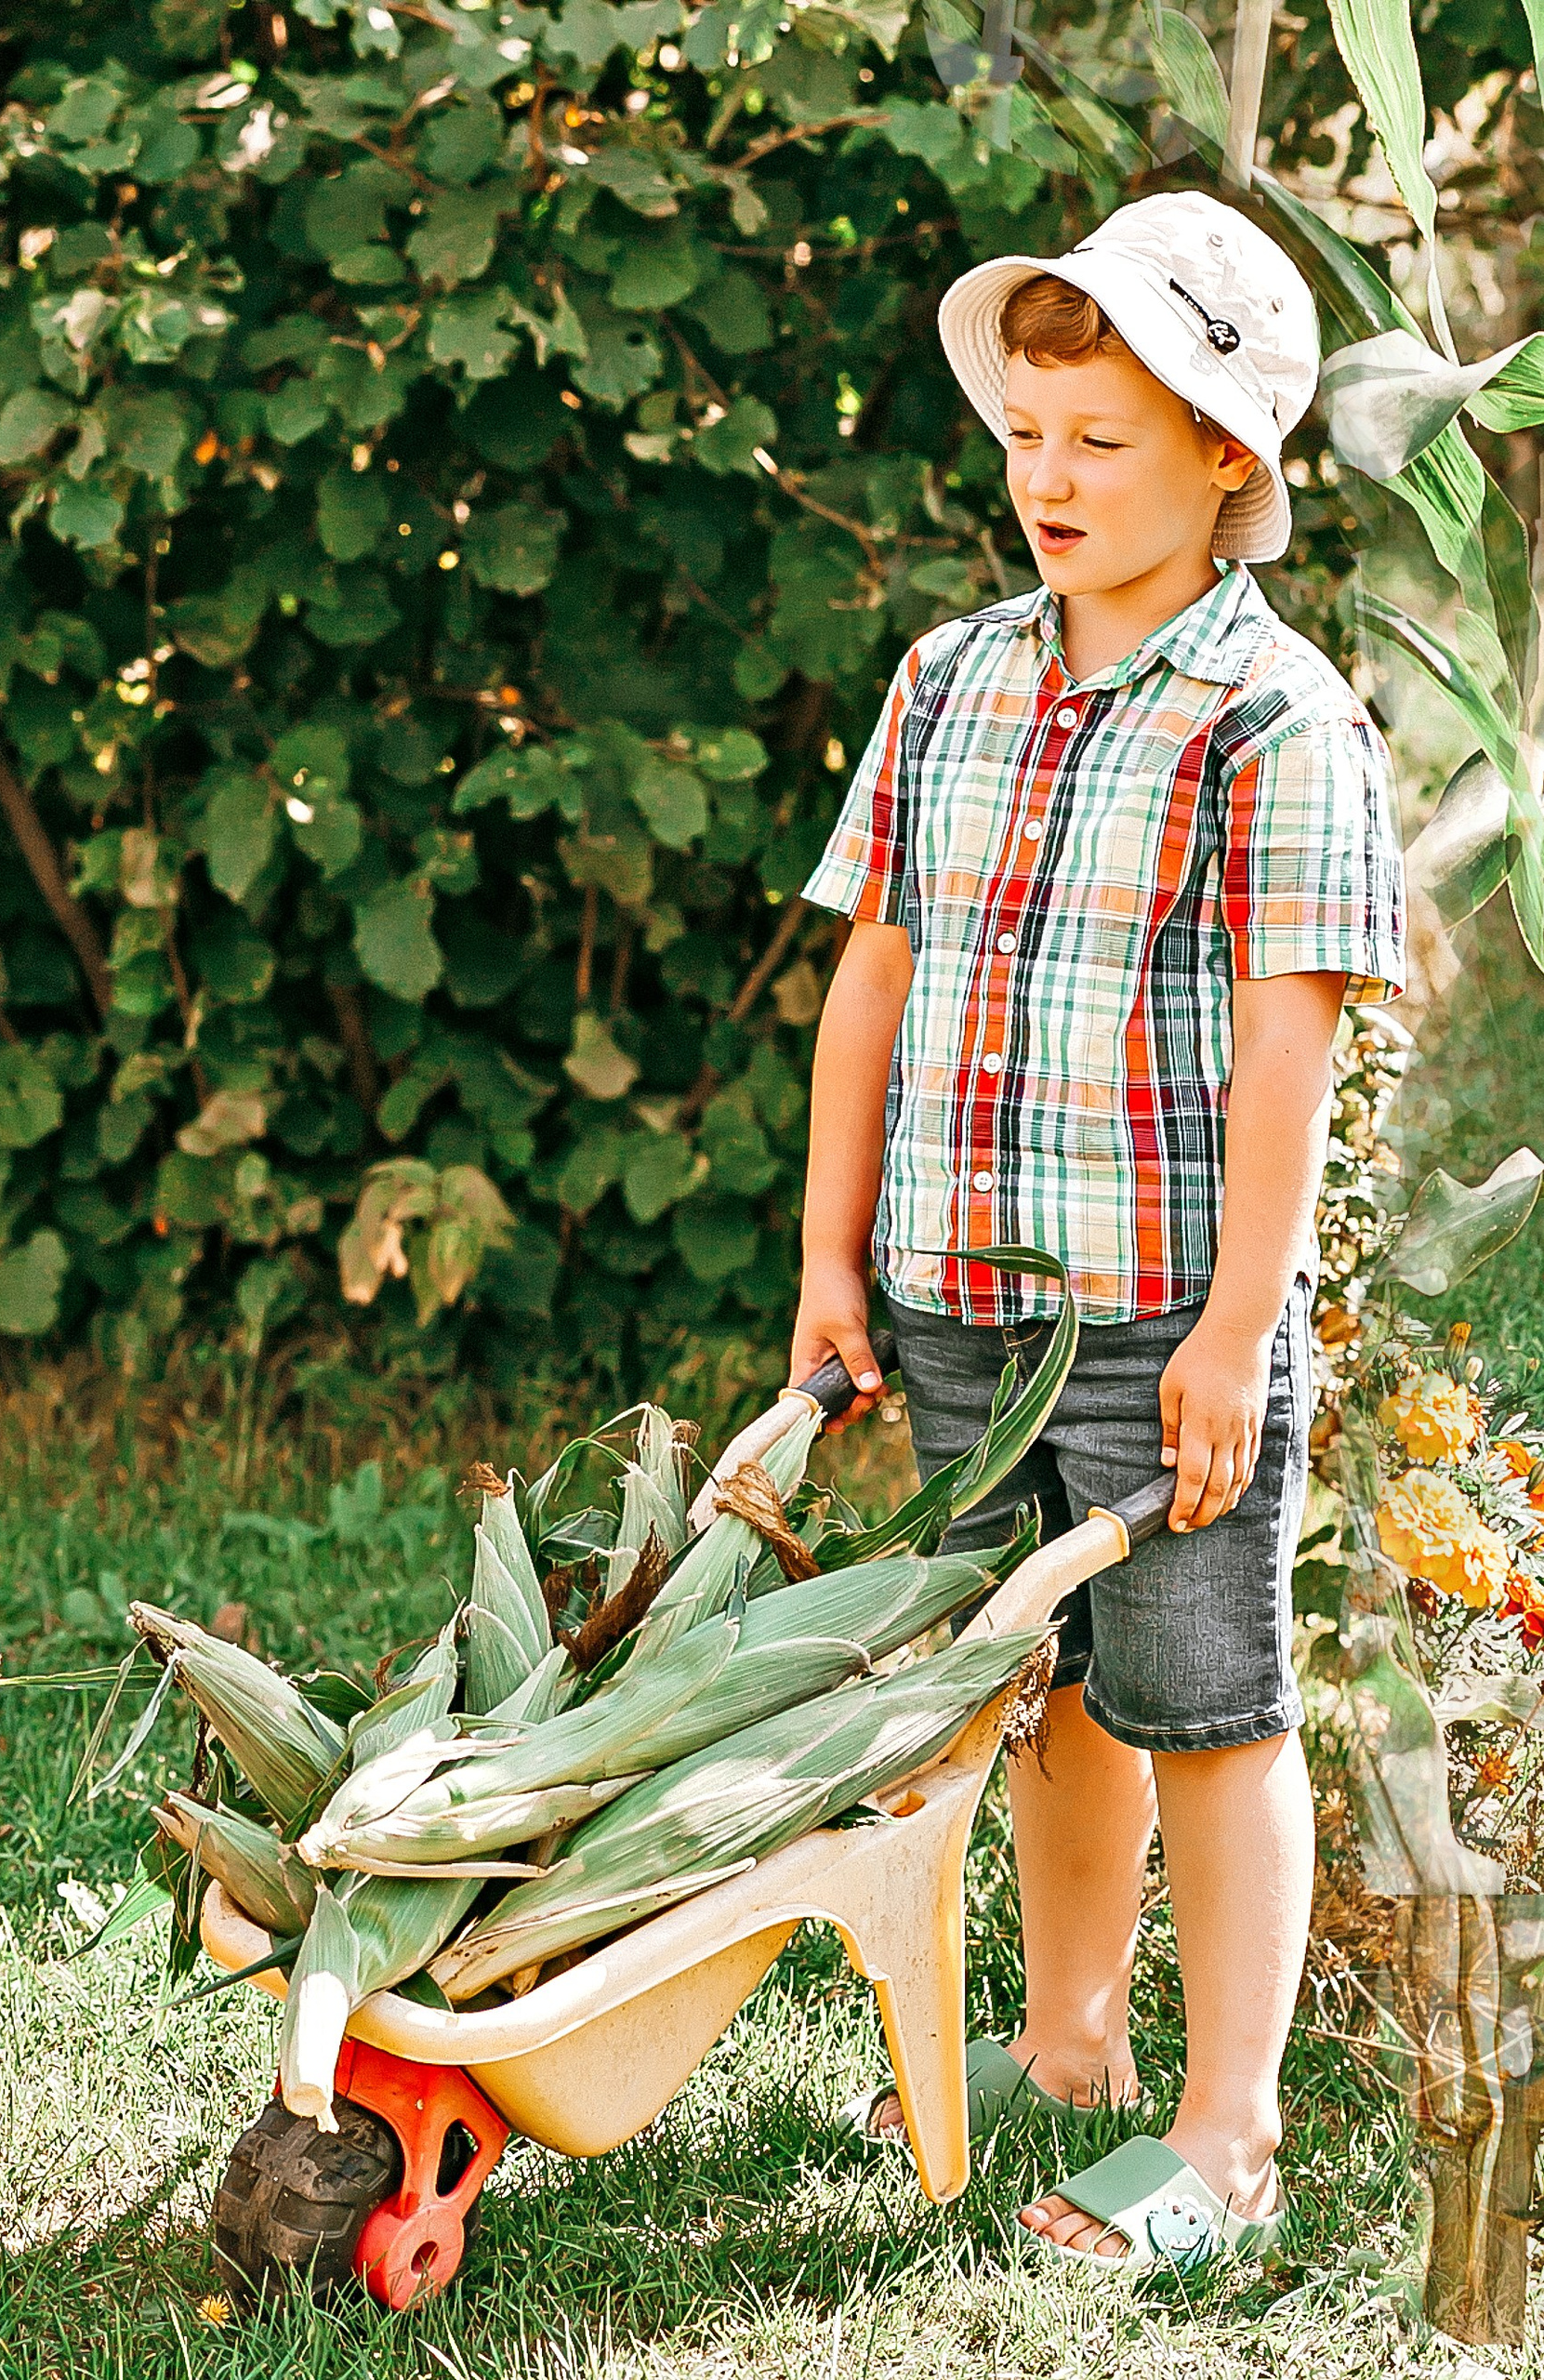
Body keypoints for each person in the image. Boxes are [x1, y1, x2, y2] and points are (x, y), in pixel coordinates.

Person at [784, 191, 1403, 2270]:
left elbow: (1290, 1042)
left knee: (1202, 1705)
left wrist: (1237, 1324)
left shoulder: (1273, 717)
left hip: (1162, 1319)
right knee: (1033, 1691)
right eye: (1026, 430)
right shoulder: (950, 674)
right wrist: (826, 1259)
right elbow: (872, 969)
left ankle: (1226, 2133)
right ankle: (1062, 2042)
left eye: (1101, 439)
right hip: (962, 1299)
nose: (1046, 477)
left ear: (1222, 457)